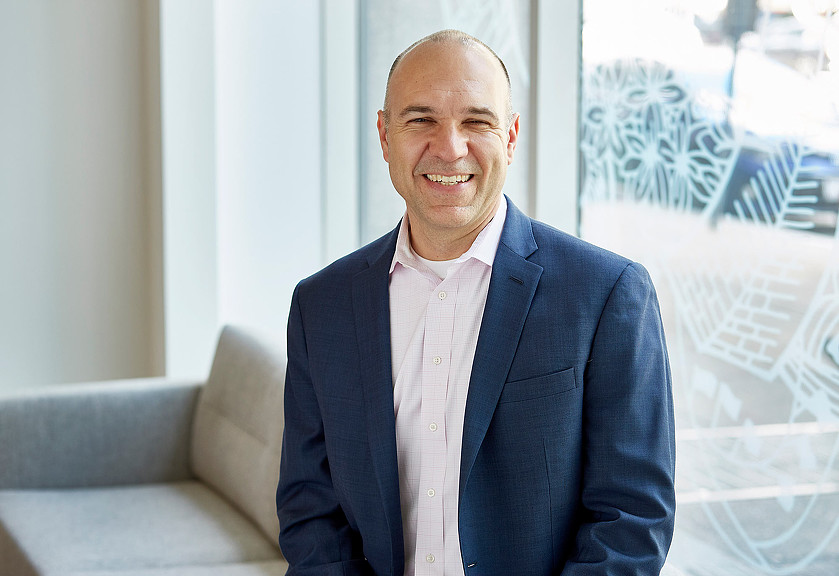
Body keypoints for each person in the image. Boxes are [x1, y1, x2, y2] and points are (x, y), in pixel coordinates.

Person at [277, 29, 675, 576]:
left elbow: (632, 521)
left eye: (476, 121)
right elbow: (310, 509)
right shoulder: (319, 307)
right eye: (420, 120)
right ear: (384, 135)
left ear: (510, 137)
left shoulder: (607, 294)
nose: (450, 147)